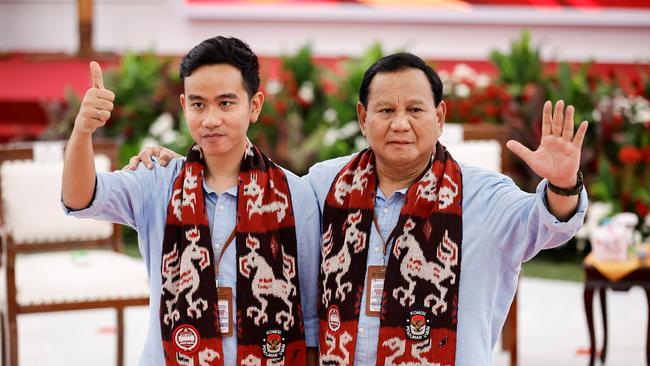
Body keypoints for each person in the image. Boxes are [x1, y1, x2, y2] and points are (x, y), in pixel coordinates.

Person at [132, 52, 588, 365]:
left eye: (415, 109)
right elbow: (260, 186)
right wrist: (191, 164)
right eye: (385, 110)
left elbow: (544, 225)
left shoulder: (483, 195)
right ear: (362, 118)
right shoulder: (326, 183)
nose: (401, 123)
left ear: (440, 116)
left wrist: (564, 184)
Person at [62, 36, 320, 366]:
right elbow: (80, 197)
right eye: (199, 104)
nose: (211, 119)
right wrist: (83, 131)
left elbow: (310, 319)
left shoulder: (294, 195)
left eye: (226, 103)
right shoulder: (157, 183)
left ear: (254, 105)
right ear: (184, 106)